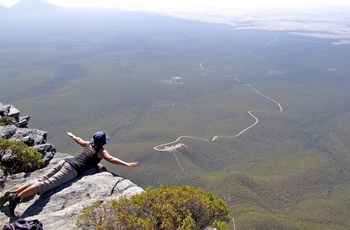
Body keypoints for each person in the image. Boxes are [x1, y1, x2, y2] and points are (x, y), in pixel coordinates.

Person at [0, 131, 138, 216]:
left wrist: (72, 135)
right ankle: (16, 198)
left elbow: (79, 140)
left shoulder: (88, 145)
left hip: (64, 162)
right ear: (103, 142)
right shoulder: (101, 151)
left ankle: (14, 191)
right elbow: (111, 159)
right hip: (71, 170)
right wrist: (126, 164)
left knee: (41, 179)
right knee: (45, 185)